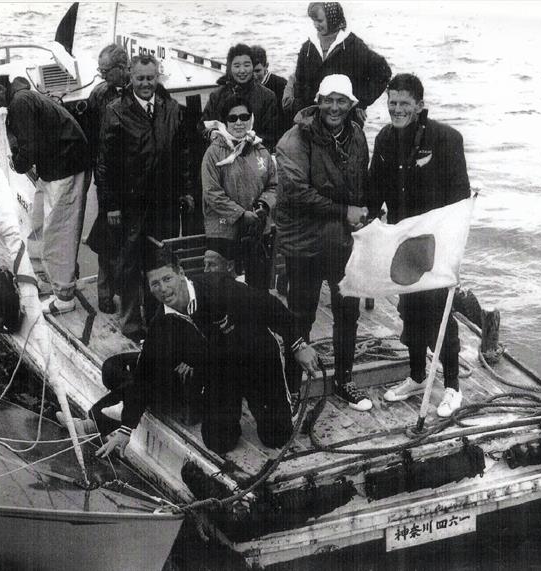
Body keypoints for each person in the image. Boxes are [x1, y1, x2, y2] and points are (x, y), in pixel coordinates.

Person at [69, 248, 319, 458]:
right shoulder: (162, 325)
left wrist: (298, 345)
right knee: (219, 442)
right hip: (220, 372)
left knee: (276, 437)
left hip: (257, 361)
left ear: (180, 273)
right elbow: (145, 377)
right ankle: (107, 415)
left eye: (167, 279)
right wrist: (126, 431)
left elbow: (271, 307)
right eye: (155, 283)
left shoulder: (219, 287)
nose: (163, 288)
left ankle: (283, 407)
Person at [367, 73, 470, 418]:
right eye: (392, 103)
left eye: (404, 104)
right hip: (402, 241)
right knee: (409, 311)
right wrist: (365, 224)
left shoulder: (446, 139)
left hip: (436, 242)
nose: (397, 110)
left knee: (440, 314)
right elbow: (375, 191)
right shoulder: (384, 139)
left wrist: (452, 249)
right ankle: (416, 376)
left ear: (419, 106)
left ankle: (453, 386)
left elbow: (459, 200)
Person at [275, 74, 372, 411]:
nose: (334, 107)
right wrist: (344, 210)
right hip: (304, 242)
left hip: (342, 243)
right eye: (328, 99)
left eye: (341, 101)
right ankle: (290, 388)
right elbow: (296, 194)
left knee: (348, 313)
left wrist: (364, 215)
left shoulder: (357, 136)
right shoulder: (293, 141)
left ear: (351, 105)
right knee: (299, 316)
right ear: (317, 101)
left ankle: (344, 381)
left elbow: (361, 183)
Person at [95, 54, 195, 343]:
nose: (146, 83)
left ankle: (157, 319)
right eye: (140, 78)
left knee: (160, 264)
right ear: (131, 77)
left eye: (151, 78)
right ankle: (130, 324)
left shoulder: (172, 109)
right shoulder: (115, 112)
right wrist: (110, 204)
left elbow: (183, 155)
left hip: (163, 202)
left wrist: (186, 190)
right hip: (129, 205)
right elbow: (105, 164)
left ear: (157, 77)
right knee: (128, 264)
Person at [6, 74, 90, 314]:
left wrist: (18, 164)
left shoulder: (20, 102)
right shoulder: (28, 97)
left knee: (59, 232)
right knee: (41, 225)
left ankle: (64, 298)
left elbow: (28, 147)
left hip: (65, 167)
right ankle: (45, 278)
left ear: (1, 87)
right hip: (55, 167)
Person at [201, 97, 277, 290]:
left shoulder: (261, 150)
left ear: (251, 118)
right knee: (222, 289)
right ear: (225, 122)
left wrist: (263, 205)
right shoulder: (214, 153)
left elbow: (274, 185)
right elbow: (212, 193)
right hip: (224, 231)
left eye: (244, 116)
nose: (238, 122)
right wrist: (241, 214)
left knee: (258, 288)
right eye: (232, 118)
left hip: (258, 231)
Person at [291, 2, 391, 126]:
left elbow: (383, 72)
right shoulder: (308, 47)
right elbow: (299, 83)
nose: (316, 25)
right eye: (314, 21)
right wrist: (301, 112)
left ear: (333, 19)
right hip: (312, 121)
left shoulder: (354, 45)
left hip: (346, 119)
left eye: (320, 21)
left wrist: (362, 101)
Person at [85, 44, 130, 315]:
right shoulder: (98, 95)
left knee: (131, 240)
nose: (101, 76)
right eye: (100, 70)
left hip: (134, 180)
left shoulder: (140, 91)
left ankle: (127, 293)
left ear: (123, 68)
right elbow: (91, 137)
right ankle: (105, 293)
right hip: (108, 178)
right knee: (107, 237)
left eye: (106, 71)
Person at [199, 44, 279, 151]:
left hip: (254, 154)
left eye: (247, 65)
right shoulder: (217, 96)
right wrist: (211, 133)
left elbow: (271, 135)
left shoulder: (268, 97)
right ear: (230, 68)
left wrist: (249, 141)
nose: (242, 70)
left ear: (253, 66)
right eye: (237, 66)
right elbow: (203, 126)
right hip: (222, 153)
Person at [251, 45, 291, 142]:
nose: (254, 76)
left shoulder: (281, 85)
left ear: (266, 66)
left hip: (276, 138)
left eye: (257, 71)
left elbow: (287, 120)